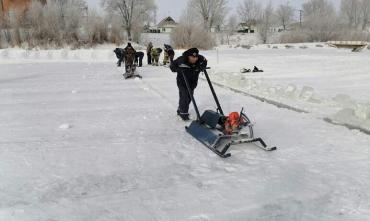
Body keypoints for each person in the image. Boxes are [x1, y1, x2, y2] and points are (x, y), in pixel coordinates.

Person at [170, 48, 207, 121]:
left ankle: (181, 108)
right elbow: (172, 66)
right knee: (184, 95)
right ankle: (183, 113)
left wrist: (202, 67)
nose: (194, 59)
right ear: (188, 56)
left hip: (192, 82)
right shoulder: (181, 60)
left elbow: (205, 61)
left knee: (190, 96)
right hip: (182, 81)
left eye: (196, 57)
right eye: (192, 57)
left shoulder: (200, 59)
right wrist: (178, 69)